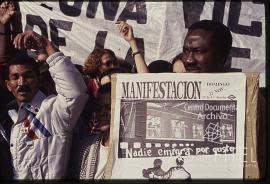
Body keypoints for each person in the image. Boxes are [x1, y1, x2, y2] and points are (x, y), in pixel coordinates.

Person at [181, 19, 265, 179]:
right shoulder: (175, 93)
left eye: (198, 51)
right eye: (185, 51)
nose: (188, 60)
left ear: (222, 56)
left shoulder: (250, 100)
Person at [0, 30, 88, 179]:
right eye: (15, 77)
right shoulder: (5, 120)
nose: (21, 82)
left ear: (38, 79)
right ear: (8, 85)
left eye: (28, 76)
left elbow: (75, 93)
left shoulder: (53, 111)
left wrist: (46, 45)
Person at [68, 83, 111, 179]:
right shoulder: (85, 147)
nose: (102, 112)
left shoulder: (132, 150)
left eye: (108, 107)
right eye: (99, 108)